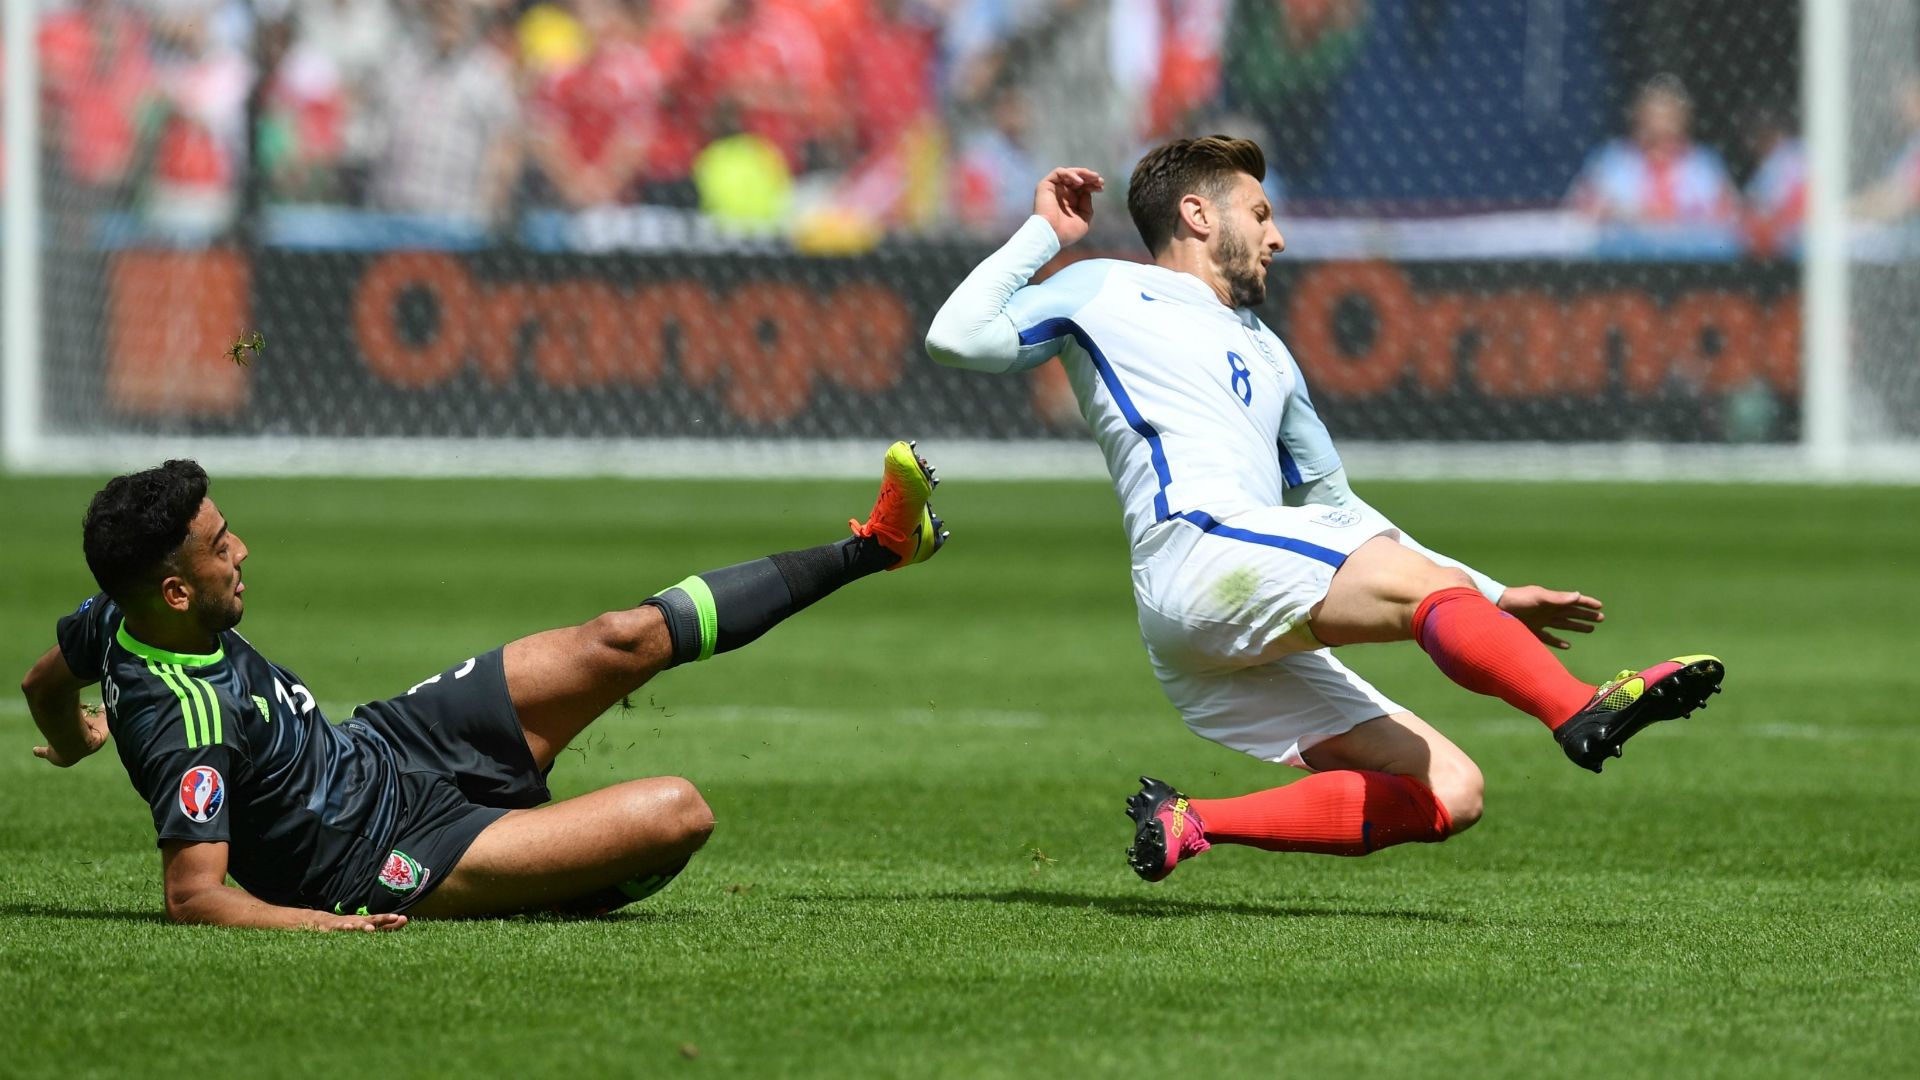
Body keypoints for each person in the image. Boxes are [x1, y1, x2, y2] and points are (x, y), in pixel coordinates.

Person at [925, 137, 1724, 883]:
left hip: (1220, 612)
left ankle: (1191, 820)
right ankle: (1578, 708)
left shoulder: (1270, 351)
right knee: (1418, 590)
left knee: (1452, 788)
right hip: (1201, 550)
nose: (1278, 238)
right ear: (1198, 216)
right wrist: (1041, 233)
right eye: (1262, 214)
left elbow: (1336, 507)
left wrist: (1492, 594)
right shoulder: (1101, 284)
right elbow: (955, 339)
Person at [21, 444, 946, 929]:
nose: (242, 552)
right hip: (379, 860)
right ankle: (541, 883)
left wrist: (71, 738)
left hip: (387, 746)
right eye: (221, 548)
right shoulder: (187, 723)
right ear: (176, 591)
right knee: (679, 811)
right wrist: (319, 929)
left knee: (621, 638)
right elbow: (194, 896)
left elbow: (43, 678)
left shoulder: (118, 615)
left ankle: (877, 545)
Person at [1567, 74, 1738, 228]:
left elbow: (1732, 216)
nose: (1661, 127)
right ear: (1638, 119)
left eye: (1669, 119)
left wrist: (1676, 216)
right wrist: (1633, 214)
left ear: (1684, 121)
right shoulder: (1611, 160)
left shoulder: (1704, 163)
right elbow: (1580, 212)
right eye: (1653, 118)